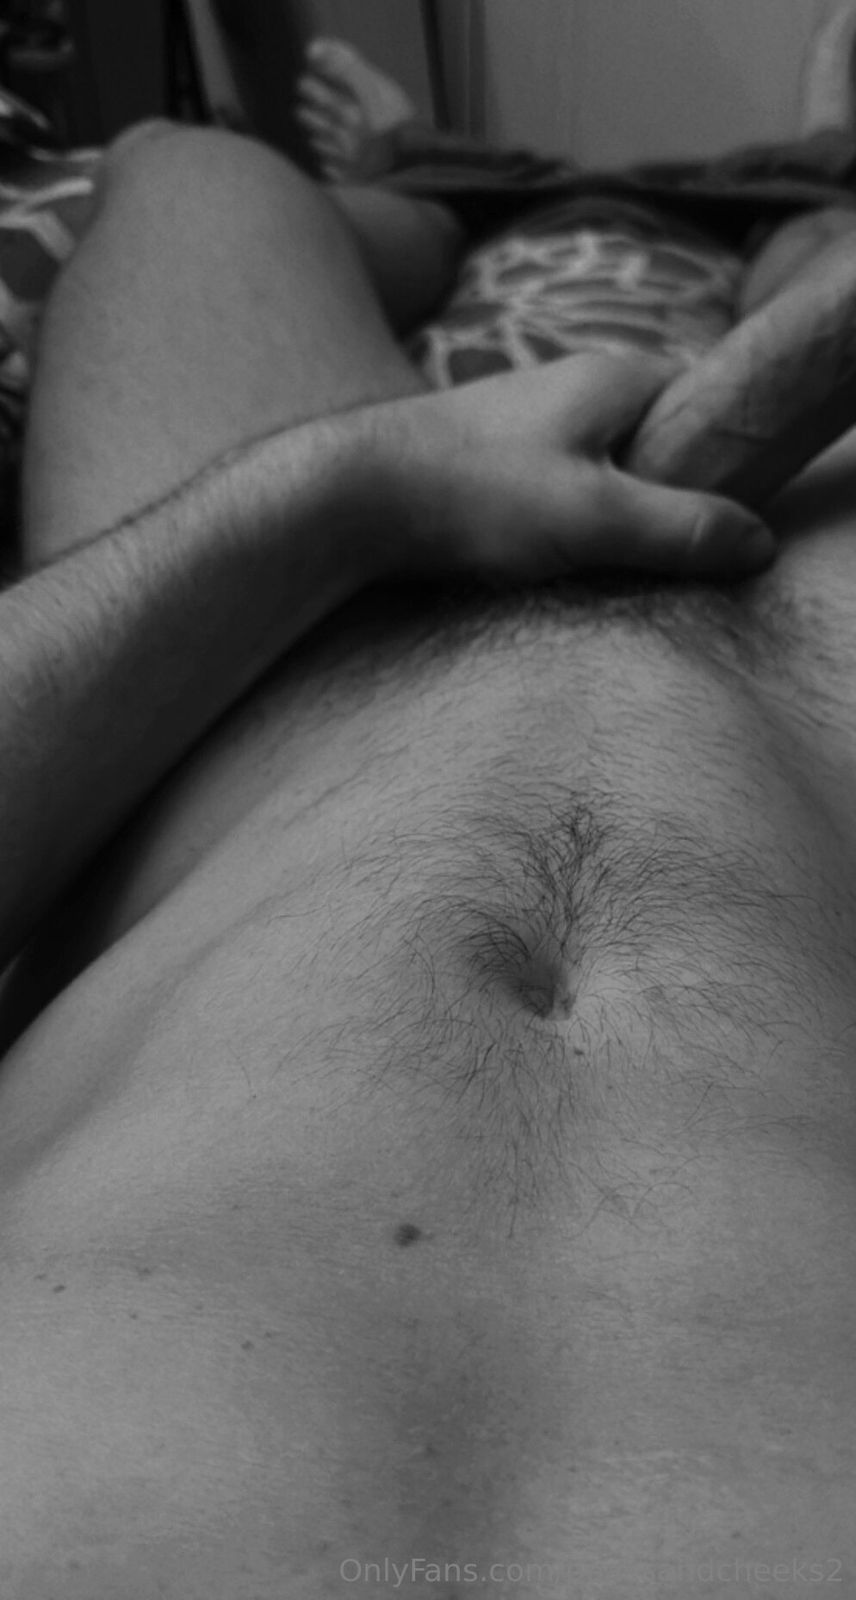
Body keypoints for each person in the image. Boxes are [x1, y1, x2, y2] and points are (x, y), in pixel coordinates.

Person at [0, 26, 855, 1599]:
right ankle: (811, 172)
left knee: (198, 175)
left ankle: (413, 188)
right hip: (828, 721)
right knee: (829, 246)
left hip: (248, 707)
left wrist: (353, 492)